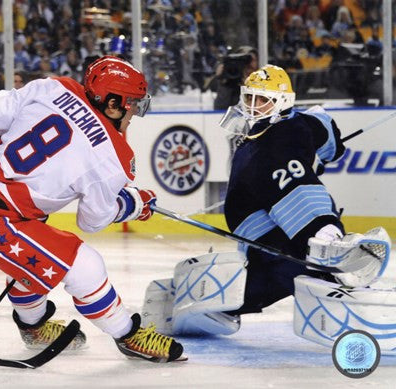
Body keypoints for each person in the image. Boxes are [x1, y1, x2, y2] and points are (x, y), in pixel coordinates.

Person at [0, 56, 186, 363]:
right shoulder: (115, 158)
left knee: (35, 262)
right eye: (133, 103)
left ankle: (33, 328)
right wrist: (132, 204)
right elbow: (92, 220)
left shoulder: (52, 86)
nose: (135, 111)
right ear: (112, 103)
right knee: (85, 265)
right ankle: (127, 335)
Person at [142, 64, 391, 340]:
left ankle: (229, 299)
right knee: (291, 264)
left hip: (266, 230)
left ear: (282, 102)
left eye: (262, 99)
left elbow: (324, 129)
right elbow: (324, 128)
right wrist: (325, 153)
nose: (253, 105)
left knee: (287, 268)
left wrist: (324, 152)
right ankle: (326, 244)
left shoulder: (291, 129)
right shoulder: (260, 145)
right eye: (250, 97)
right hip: (260, 227)